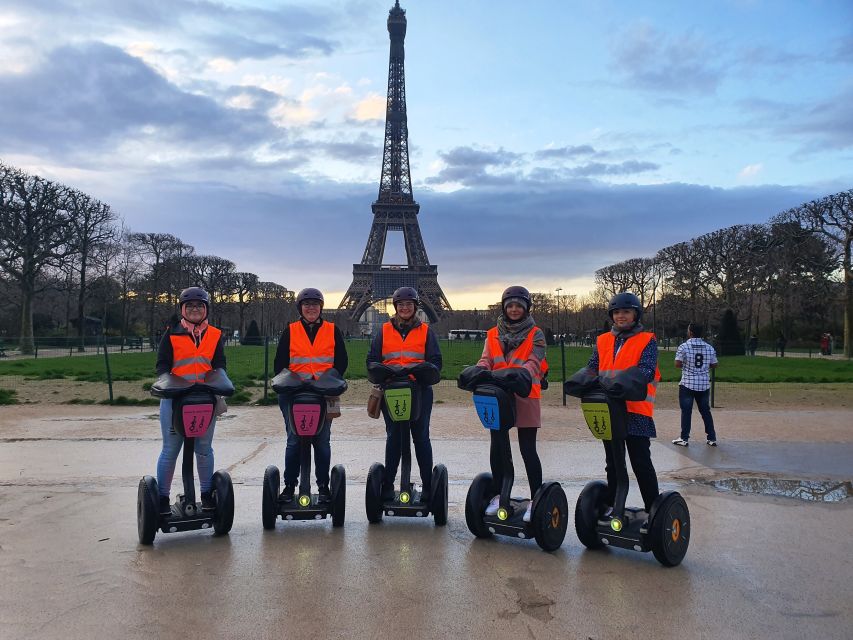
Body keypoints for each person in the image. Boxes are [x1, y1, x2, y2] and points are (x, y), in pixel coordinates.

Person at [476, 286, 548, 523]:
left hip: (525, 393)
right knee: (498, 447)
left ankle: (535, 497)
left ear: (526, 308)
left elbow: (534, 361)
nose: (515, 309)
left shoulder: (536, 333)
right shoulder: (492, 334)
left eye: (519, 305)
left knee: (528, 449)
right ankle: (499, 494)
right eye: (510, 305)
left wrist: (520, 374)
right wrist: (478, 371)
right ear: (504, 308)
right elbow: (486, 359)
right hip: (498, 395)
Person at [586, 292, 660, 514]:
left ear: (636, 314)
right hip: (609, 409)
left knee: (641, 462)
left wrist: (623, 383)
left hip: (636, 410)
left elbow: (646, 369)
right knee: (614, 462)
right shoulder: (603, 340)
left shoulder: (647, 340)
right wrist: (582, 380)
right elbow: (592, 367)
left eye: (626, 312)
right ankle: (612, 506)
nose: (621, 316)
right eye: (616, 312)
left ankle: (652, 511)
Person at [367, 287, 442, 504]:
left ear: (416, 307)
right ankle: (388, 484)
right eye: (401, 305)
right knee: (394, 438)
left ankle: (428, 485)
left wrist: (420, 372)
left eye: (409, 304)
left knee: (420, 438)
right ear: (396, 307)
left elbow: (436, 362)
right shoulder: (384, 331)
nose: (405, 308)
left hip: (418, 390)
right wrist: (383, 372)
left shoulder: (426, 331)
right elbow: (372, 359)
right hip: (392, 390)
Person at [155, 287, 226, 516]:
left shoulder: (215, 334)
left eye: (199, 306)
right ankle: (162, 498)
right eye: (190, 306)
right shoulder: (172, 334)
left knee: (203, 449)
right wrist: (168, 383)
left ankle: (206, 494)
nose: (194, 309)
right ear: (182, 310)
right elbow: (162, 365)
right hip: (176, 399)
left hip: (204, 398)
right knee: (170, 449)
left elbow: (219, 365)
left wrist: (220, 387)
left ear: (205, 309)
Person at [273, 288, 348, 503]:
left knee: (322, 441)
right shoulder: (291, 330)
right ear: (300, 308)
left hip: (324, 393)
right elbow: (280, 364)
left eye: (315, 304)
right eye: (307, 304)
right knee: (294, 440)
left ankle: (323, 486)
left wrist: (328, 382)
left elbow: (341, 361)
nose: (311, 307)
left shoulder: (333, 330)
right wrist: (292, 383)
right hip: (295, 393)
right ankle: (289, 485)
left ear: (321, 307)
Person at [672, 323, 718, 447]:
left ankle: (684, 438)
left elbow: (677, 363)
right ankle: (712, 438)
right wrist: (704, 366)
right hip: (703, 384)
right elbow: (714, 364)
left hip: (688, 383)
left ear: (690, 332)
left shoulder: (684, 346)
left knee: (686, 411)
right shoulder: (709, 347)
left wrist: (688, 366)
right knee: (705, 411)